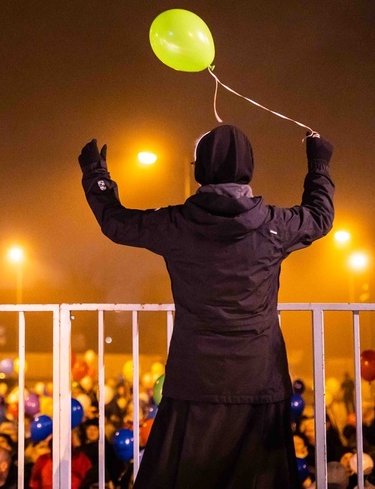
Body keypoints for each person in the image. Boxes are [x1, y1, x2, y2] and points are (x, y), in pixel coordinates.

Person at [79, 125, 334, 487]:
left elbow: (116, 223)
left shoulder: (177, 223)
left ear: (199, 169)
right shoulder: (274, 225)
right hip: (258, 375)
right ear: (249, 167)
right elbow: (320, 216)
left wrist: (96, 176)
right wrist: (318, 161)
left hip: (194, 376)